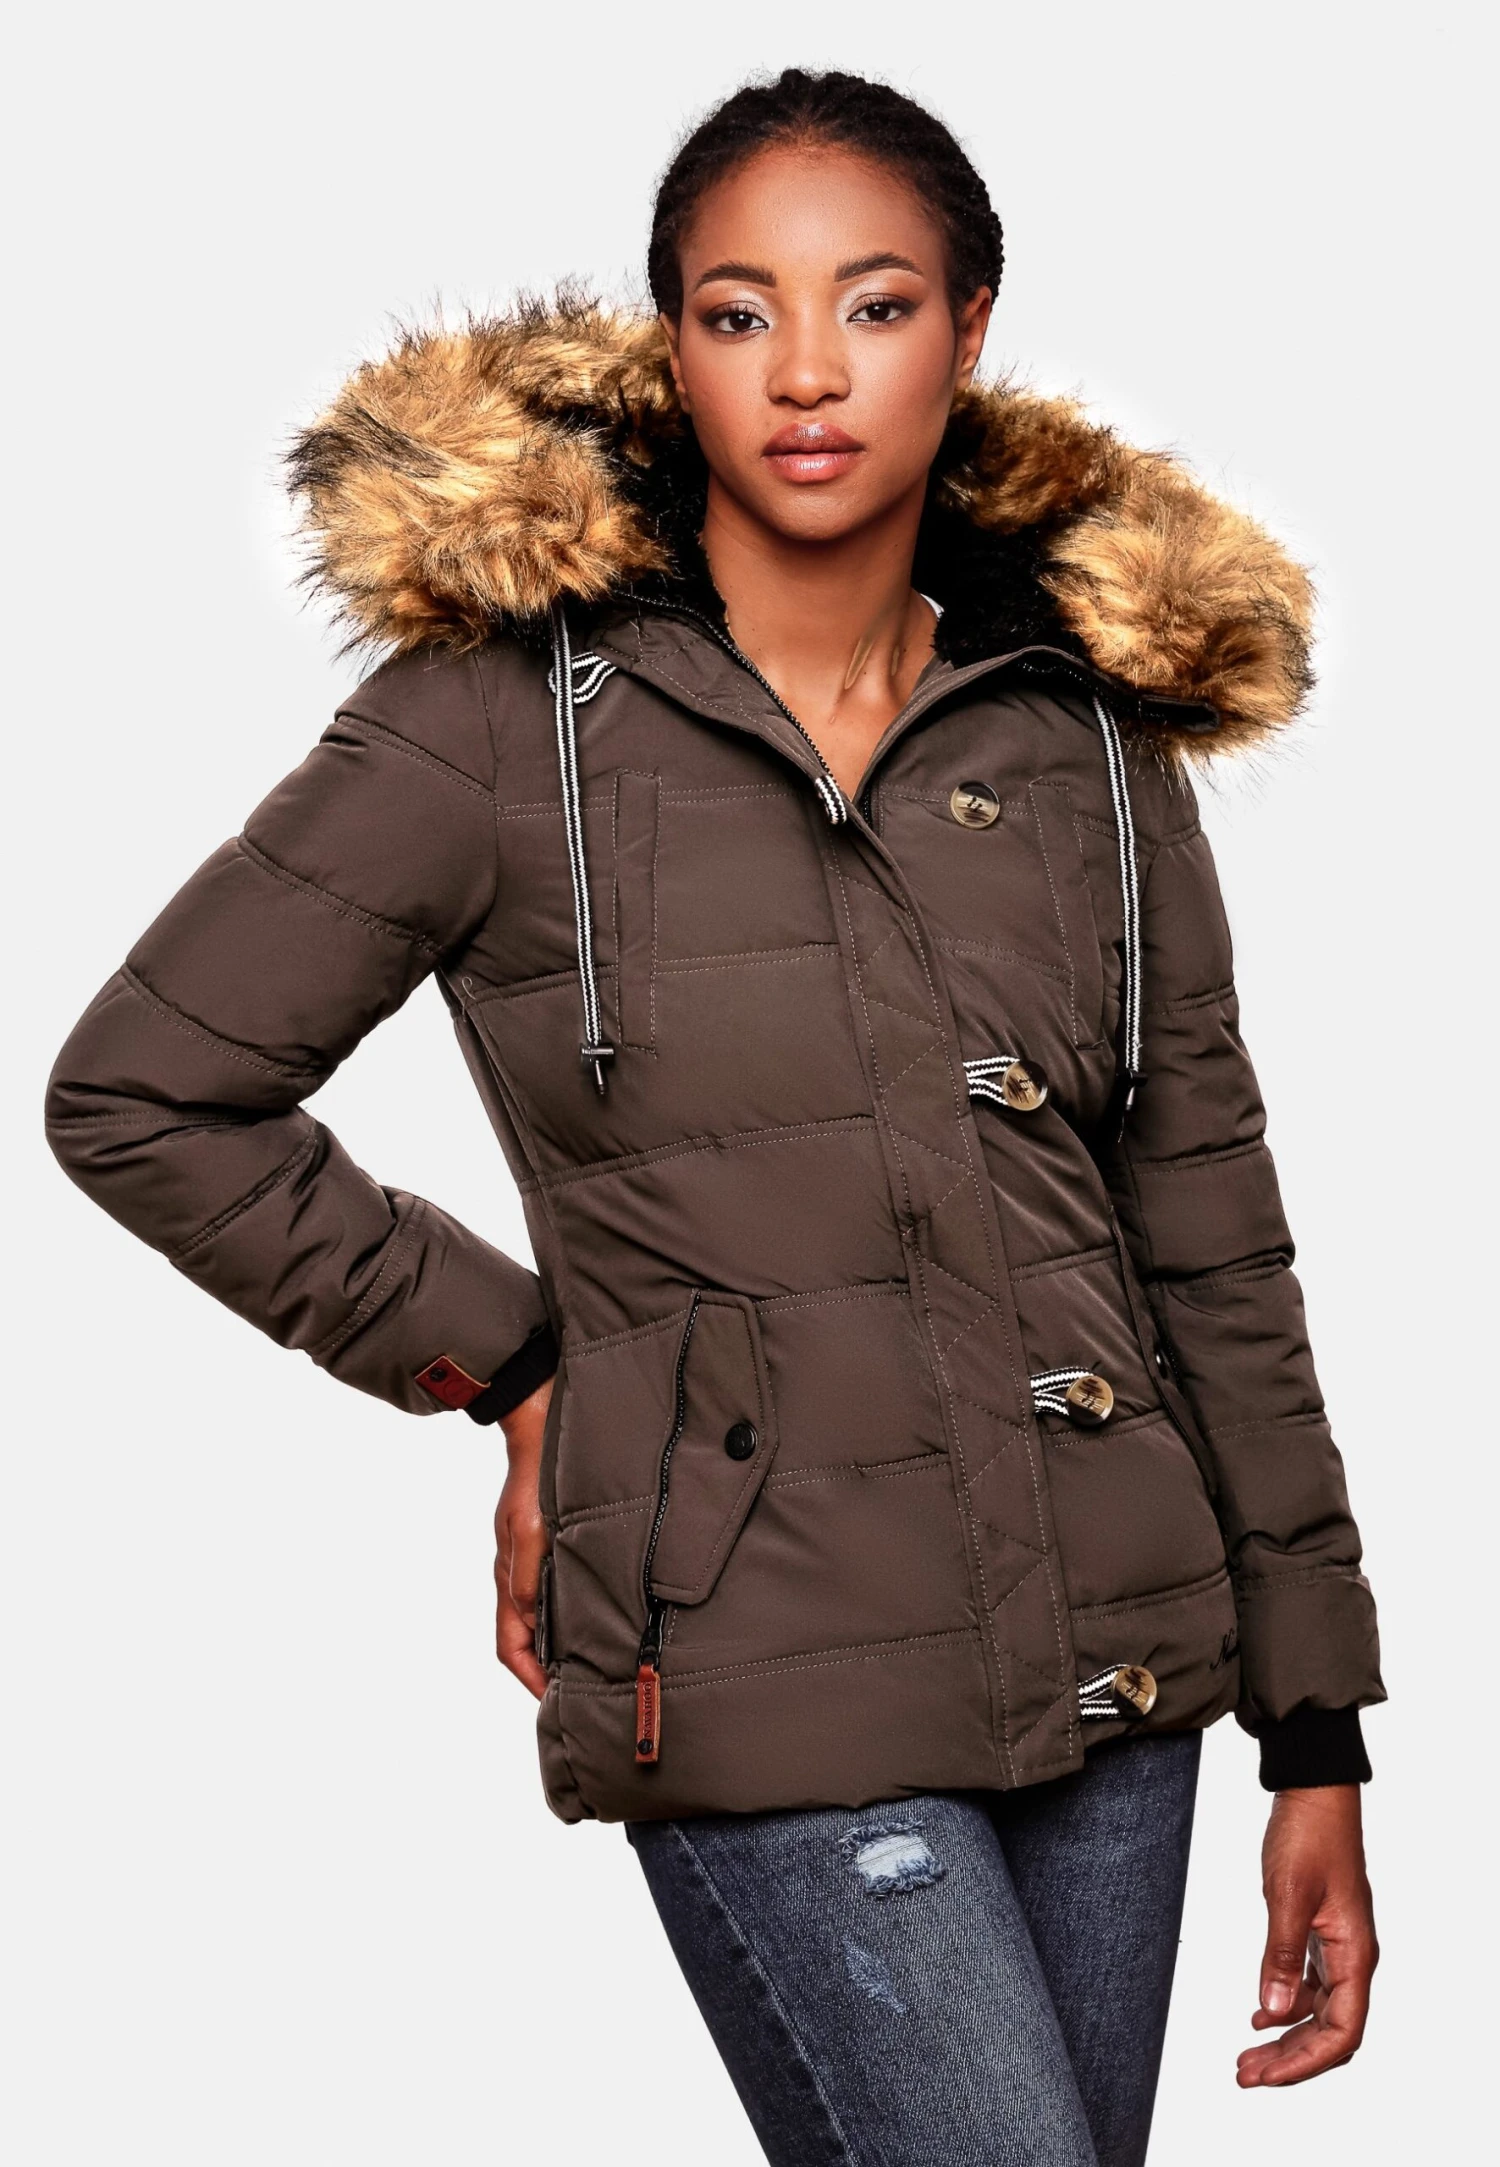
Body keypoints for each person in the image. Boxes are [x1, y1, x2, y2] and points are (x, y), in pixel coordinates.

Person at [46, 67, 1382, 2167]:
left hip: (1124, 1674)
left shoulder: (1085, 735)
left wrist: (1317, 1729)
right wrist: (518, 1367)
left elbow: (1213, 1236)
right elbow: (148, 1091)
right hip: (762, 1652)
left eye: (876, 304)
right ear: (674, 343)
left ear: (971, 327)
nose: (808, 372)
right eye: (740, 311)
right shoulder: (500, 720)